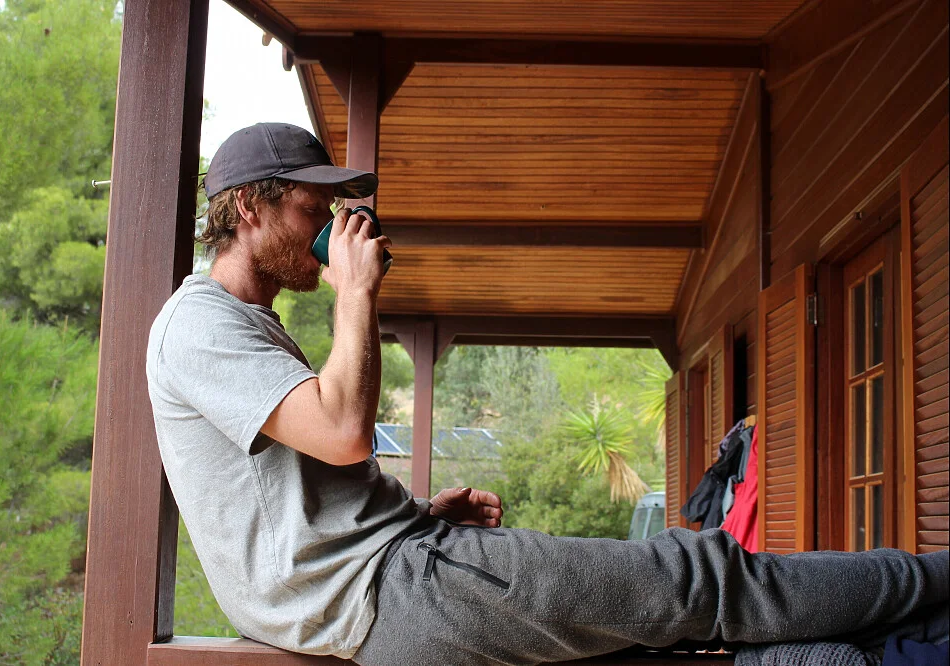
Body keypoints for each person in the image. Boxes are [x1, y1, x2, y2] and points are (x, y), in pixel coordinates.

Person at [146, 123, 948, 666]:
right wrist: (357, 293)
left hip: (392, 575)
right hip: (393, 590)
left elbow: (297, 493)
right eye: (311, 208)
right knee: (698, 573)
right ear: (248, 208)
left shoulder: (243, 324)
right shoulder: (200, 324)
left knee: (656, 628)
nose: (330, 224)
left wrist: (420, 510)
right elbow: (345, 432)